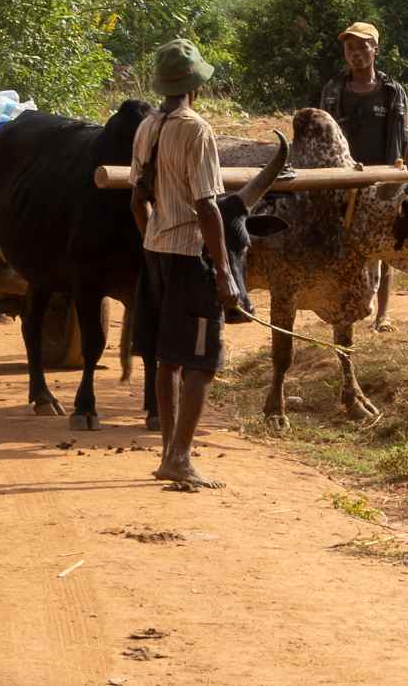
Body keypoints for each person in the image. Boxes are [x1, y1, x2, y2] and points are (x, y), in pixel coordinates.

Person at [131, 38, 243, 491]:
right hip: (189, 256)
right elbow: (209, 206)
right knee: (201, 360)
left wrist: (150, 237)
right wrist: (223, 270)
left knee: (166, 358)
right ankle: (179, 456)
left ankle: (168, 453)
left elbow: (137, 198)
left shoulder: (147, 126)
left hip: (157, 252)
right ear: (197, 85)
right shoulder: (196, 129)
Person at [321, 20, 408, 330]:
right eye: (350, 47)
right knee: (342, 243)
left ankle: (384, 314)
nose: (356, 53)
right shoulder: (333, 89)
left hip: (381, 178)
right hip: (341, 177)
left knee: (383, 246)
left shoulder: (391, 91)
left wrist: (396, 178)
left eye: (362, 46)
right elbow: (324, 137)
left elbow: (401, 137)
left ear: (375, 49)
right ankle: (345, 306)